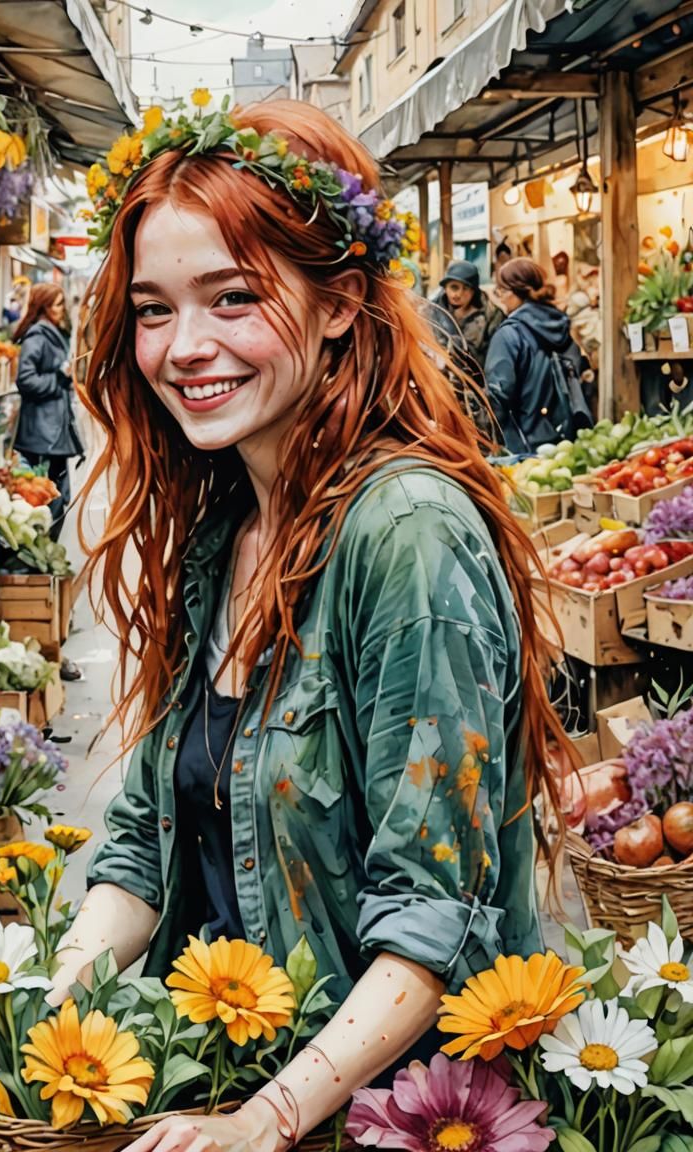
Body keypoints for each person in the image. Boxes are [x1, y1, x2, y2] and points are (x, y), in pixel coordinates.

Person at [51, 97, 571, 1152]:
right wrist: (26, 1008)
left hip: (387, 1119)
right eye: (152, 310)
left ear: (337, 303)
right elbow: (147, 842)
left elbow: (433, 921)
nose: (182, 348)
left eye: (232, 298)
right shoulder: (224, 527)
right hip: (229, 1076)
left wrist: (262, 1123)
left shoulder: (406, 535)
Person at [485, 257, 590, 454]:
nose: (500, 297)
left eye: (502, 291)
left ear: (517, 292)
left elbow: (497, 396)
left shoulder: (509, 335)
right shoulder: (560, 326)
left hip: (523, 449)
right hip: (567, 442)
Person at [14, 283, 83, 538]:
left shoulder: (52, 333)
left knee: (57, 491)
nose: (61, 310)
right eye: (57, 304)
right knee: (48, 494)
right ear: (43, 306)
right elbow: (26, 379)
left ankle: (48, 543)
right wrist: (58, 377)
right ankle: (43, 544)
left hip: (53, 427)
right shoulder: (38, 336)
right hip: (43, 432)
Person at [431, 259, 504, 380]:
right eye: (454, 287)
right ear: (445, 287)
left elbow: (497, 358)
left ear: (473, 291)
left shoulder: (492, 316)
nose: (459, 294)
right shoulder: (431, 312)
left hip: (477, 385)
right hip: (439, 383)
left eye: (465, 288)